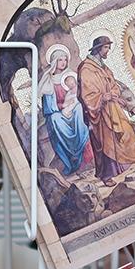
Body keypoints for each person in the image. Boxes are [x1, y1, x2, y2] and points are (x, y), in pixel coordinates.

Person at [77, 34, 135, 184]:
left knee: (127, 131)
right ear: (98, 49)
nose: (108, 51)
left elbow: (114, 84)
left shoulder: (103, 67)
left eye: (108, 47)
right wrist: (102, 97)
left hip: (113, 107)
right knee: (106, 143)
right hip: (99, 113)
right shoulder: (86, 69)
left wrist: (113, 93)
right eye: (106, 48)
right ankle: (107, 176)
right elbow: (86, 94)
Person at [39, 45, 93, 175]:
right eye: (60, 60)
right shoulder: (48, 81)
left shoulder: (71, 76)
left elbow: (81, 92)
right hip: (59, 112)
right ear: (54, 62)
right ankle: (71, 158)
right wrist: (60, 107)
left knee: (79, 108)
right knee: (54, 118)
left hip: (74, 109)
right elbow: (48, 107)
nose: (63, 63)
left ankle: (83, 149)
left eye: (64, 60)